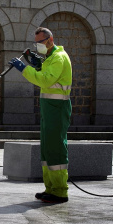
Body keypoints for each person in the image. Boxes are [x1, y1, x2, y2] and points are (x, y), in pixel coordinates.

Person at [9, 27, 72, 203]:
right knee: (47, 149)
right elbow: (45, 73)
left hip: (58, 108)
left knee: (56, 149)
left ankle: (60, 191)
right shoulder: (50, 58)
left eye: (40, 43)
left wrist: (24, 69)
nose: (38, 46)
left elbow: (45, 80)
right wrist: (39, 64)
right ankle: (50, 188)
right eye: (36, 43)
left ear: (50, 40)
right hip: (49, 108)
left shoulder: (59, 58)